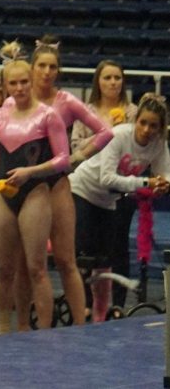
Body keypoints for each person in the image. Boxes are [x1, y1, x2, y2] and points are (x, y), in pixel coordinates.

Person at [0, 42, 70, 333]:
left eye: (24, 83)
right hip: (3, 194)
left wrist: (31, 171)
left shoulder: (47, 115)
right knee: (6, 269)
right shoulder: (1, 113)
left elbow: (63, 159)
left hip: (34, 192)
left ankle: (42, 332)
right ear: (5, 87)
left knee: (36, 269)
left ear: (32, 82)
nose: (19, 88)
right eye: (13, 84)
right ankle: (5, 328)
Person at [18, 35, 113, 328]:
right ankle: (29, 327)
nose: (47, 72)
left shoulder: (66, 101)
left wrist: (79, 156)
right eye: (42, 66)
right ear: (32, 68)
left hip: (57, 185)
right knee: (28, 265)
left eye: (52, 67)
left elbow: (105, 132)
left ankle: (80, 327)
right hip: (23, 186)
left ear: (58, 71)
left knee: (66, 260)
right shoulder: (19, 99)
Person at [70, 93, 170, 320]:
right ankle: (83, 305)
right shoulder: (118, 135)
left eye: (153, 125)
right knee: (84, 254)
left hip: (109, 199)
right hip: (83, 189)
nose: (146, 130)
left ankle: (105, 310)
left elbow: (165, 171)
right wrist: (145, 182)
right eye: (143, 123)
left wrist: (164, 184)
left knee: (107, 259)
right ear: (136, 121)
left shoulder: (158, 144)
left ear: (160, 127)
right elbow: (107, 178)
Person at [70, 60, 137, 307]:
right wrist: (106, 136)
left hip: (121, 189)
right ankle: (86, 303)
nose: (113, 83)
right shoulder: (86, 112)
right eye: (107, 77)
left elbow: (141, 143)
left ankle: (117, 304)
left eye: (117, 78)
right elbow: (76, 146)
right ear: (98, 81)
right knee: (86, 247)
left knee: (117, 247)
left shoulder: (133, 112)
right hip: (88, 187)